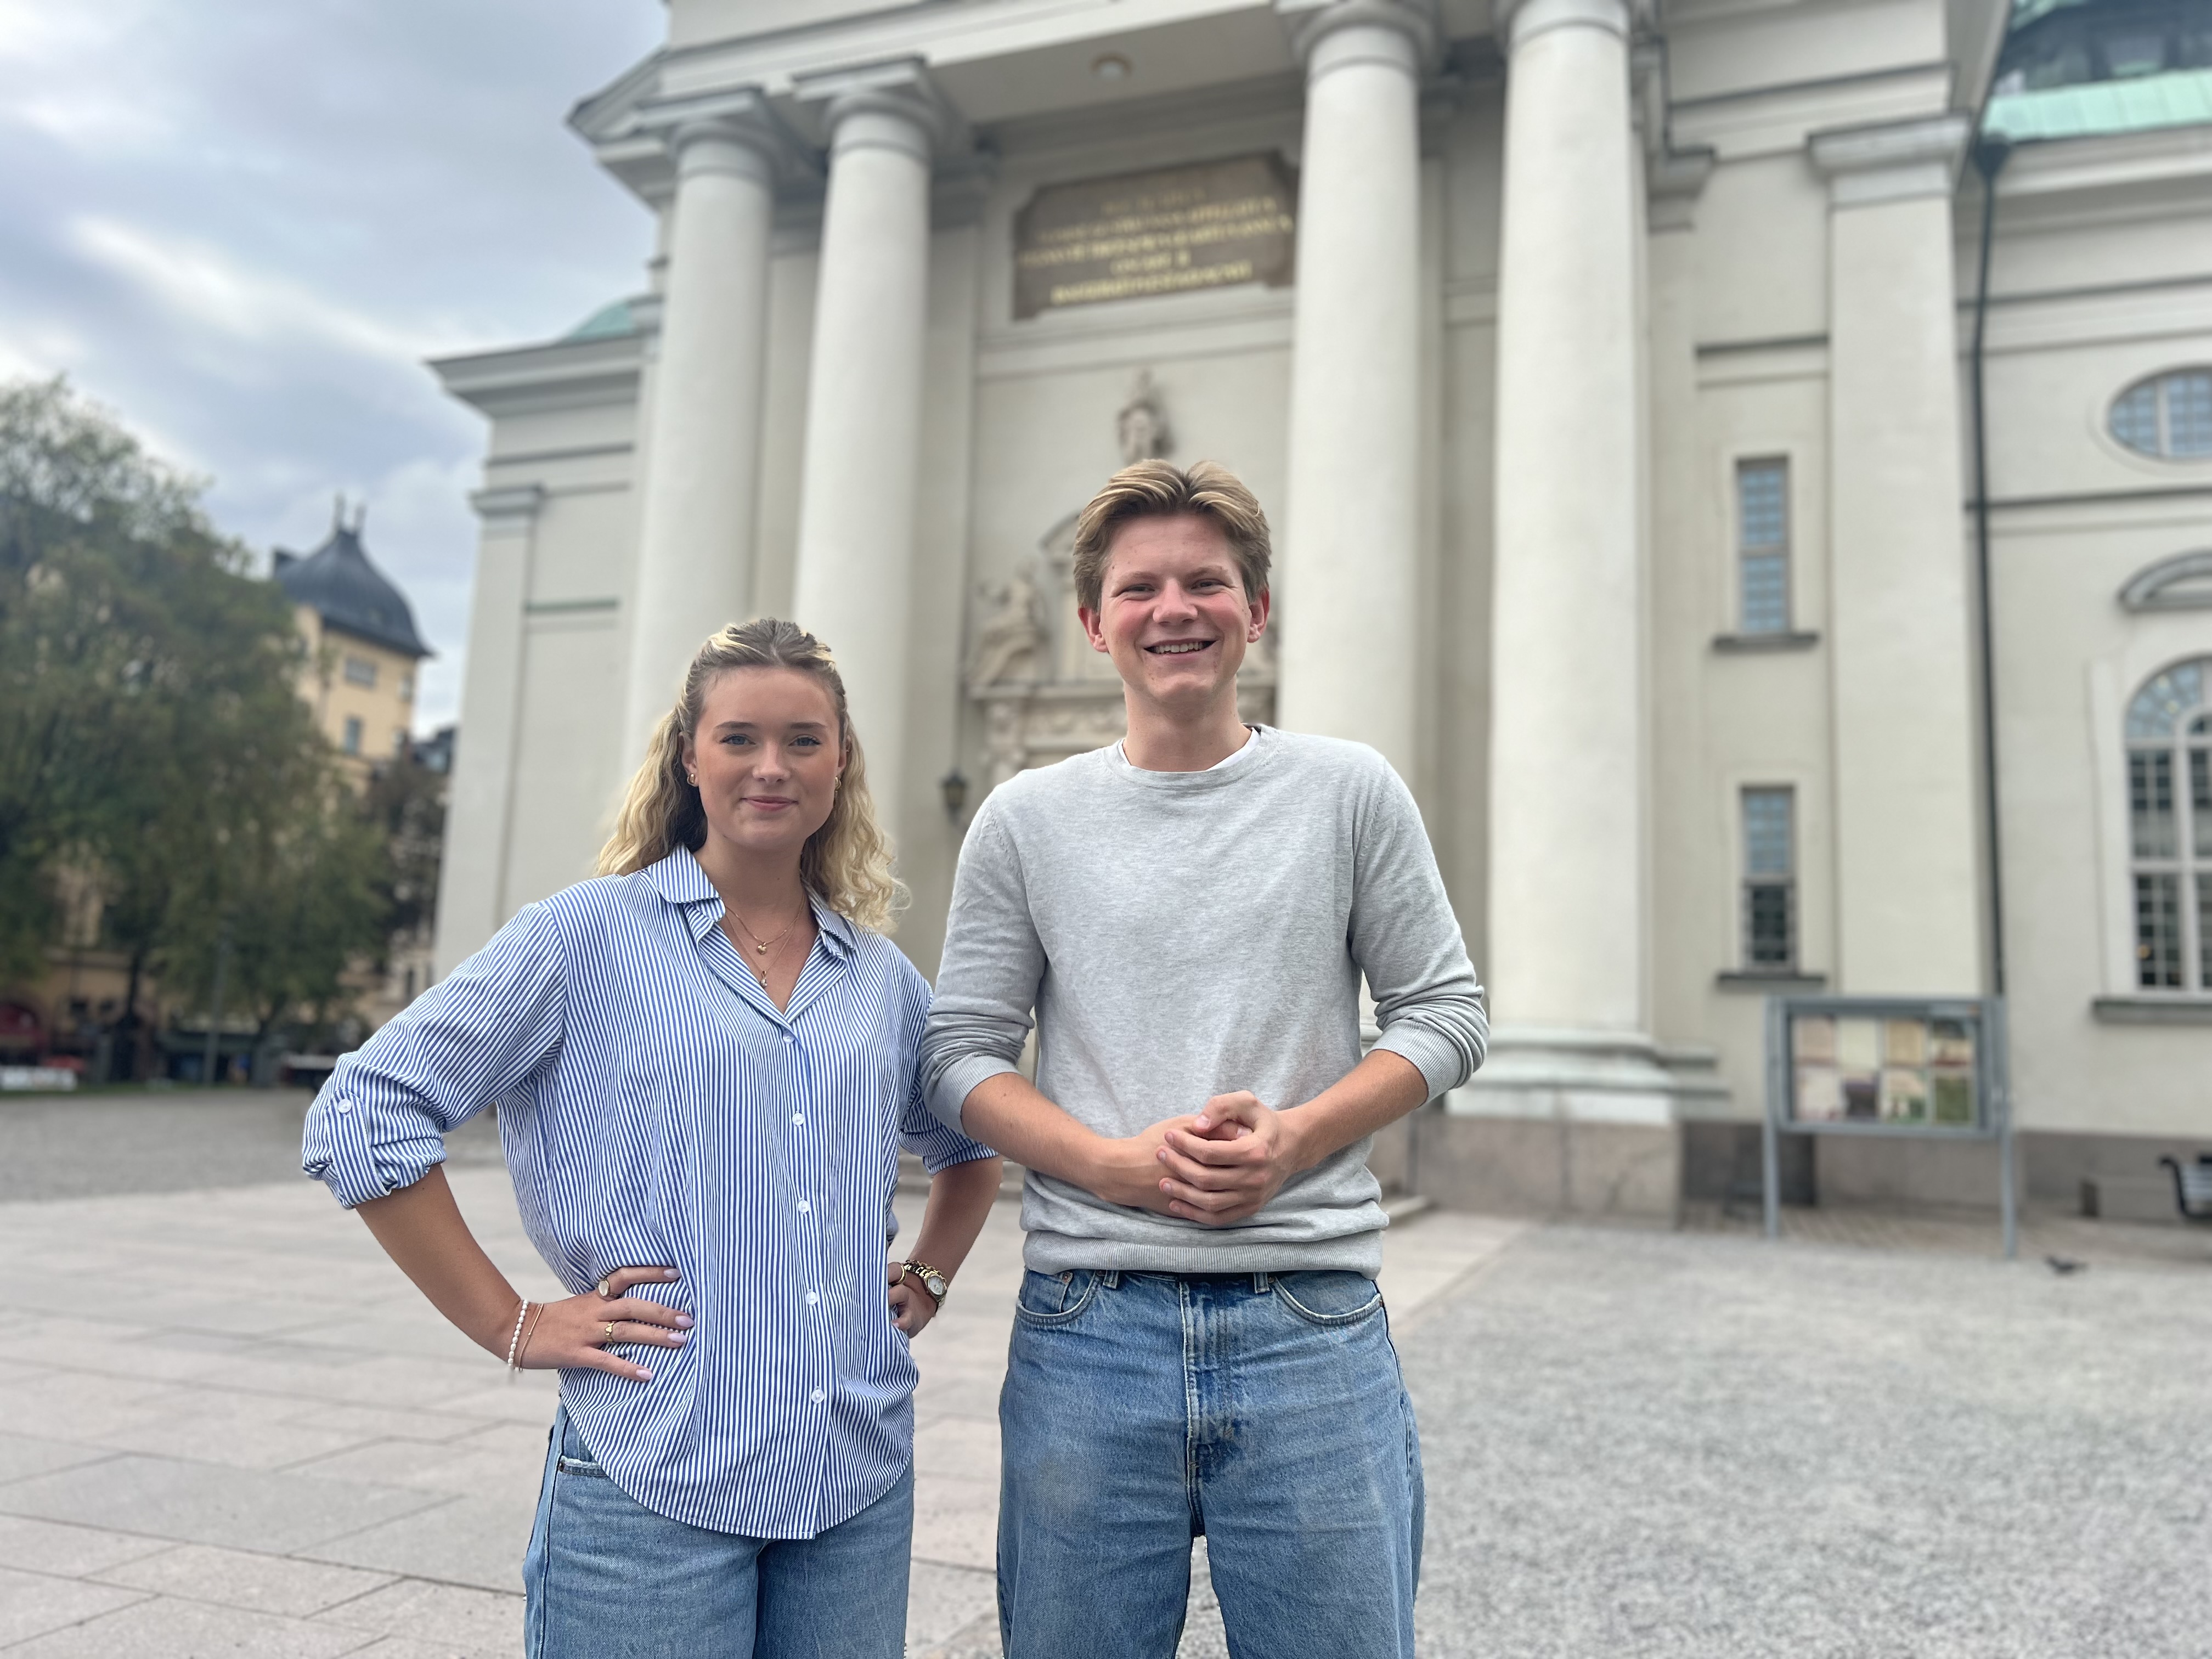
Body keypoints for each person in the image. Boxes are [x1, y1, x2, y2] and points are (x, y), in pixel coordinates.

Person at [303, 618, 1001, 1659]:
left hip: (854, 1478)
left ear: (841, 761)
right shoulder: (586, 936)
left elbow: (967, 1146)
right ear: (689, 754)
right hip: (655, 1473)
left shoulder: (881, 979)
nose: (773, 766)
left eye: (805, 740)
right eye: (740, 738)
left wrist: (931, 1277)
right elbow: (363, 1113)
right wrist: (514, 1323)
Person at [920, 460, 1487, 1659]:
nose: (1173, 608)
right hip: (1091, 1327)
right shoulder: (1025, 820)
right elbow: (960, 1056)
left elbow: (1444, 1013)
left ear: (1256, 608)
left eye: (1206, 582)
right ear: (1092, 624)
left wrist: (1298, 1139)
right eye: (1139, 589)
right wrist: (1111, 1167)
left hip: (1311, 1322)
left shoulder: (1348, 792)